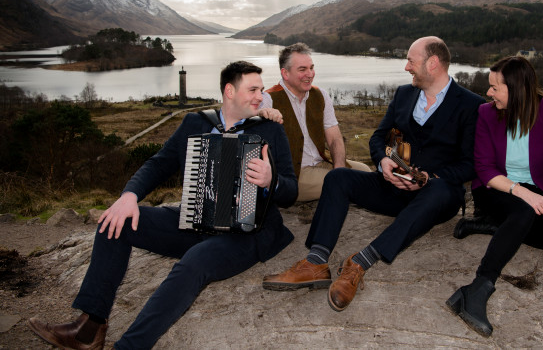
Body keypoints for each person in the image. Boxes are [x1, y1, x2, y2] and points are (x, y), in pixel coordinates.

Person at [28, 61, 298, 349]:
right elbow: (159, 164)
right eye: (253, 89)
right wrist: (128, 196)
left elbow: (291, 190)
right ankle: (88, 329)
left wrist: (272, 180)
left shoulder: (270, 130)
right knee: (114, 223)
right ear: (229, 91)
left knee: (193, 264)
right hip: (196, 222)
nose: (261, 95)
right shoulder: (196, 123)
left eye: (261, 88)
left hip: (246, 233)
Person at [262, 36, 484, 311]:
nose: (406, 67)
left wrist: (428, 178)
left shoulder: (471, 105)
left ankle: (360, 262)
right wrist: (383, 162)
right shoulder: (404, 94)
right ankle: (316, 262)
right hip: (393, 188)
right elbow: (378, 138)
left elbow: (472, 163)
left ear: (433, 63)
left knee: (440, 190)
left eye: (411, 61)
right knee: (337, 177)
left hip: (435, 196)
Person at [445, 56, 543, 337]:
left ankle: (497, 227)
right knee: (523, 211)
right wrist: (522, 193)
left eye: (496, 87)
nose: (489, 93)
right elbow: (483, 168)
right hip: (496, 188)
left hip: (536, 190)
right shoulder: (486, 113)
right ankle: (476, 288)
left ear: (517, 89)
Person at [261, 42, 371, 202]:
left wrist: (339, 170)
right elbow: (252, 115)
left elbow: (334, 138)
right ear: (285, 73)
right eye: (302, 69)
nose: (310, 74)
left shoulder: (320, 95)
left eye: (311, 68)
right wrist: (261, 112)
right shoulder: (268, 98)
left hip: (321, 162)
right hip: (295, 175)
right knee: (354, 183)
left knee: (366, 172)